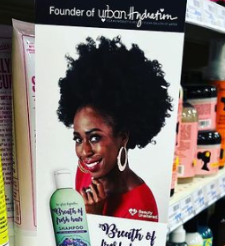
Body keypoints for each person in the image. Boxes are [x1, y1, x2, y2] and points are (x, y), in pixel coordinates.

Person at [57, 36, 172, 222]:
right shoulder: (85, 171)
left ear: (123, 137)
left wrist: (93, 217)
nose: (84, 151)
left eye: (95, 138)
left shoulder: (142, 208)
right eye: (78, 139)